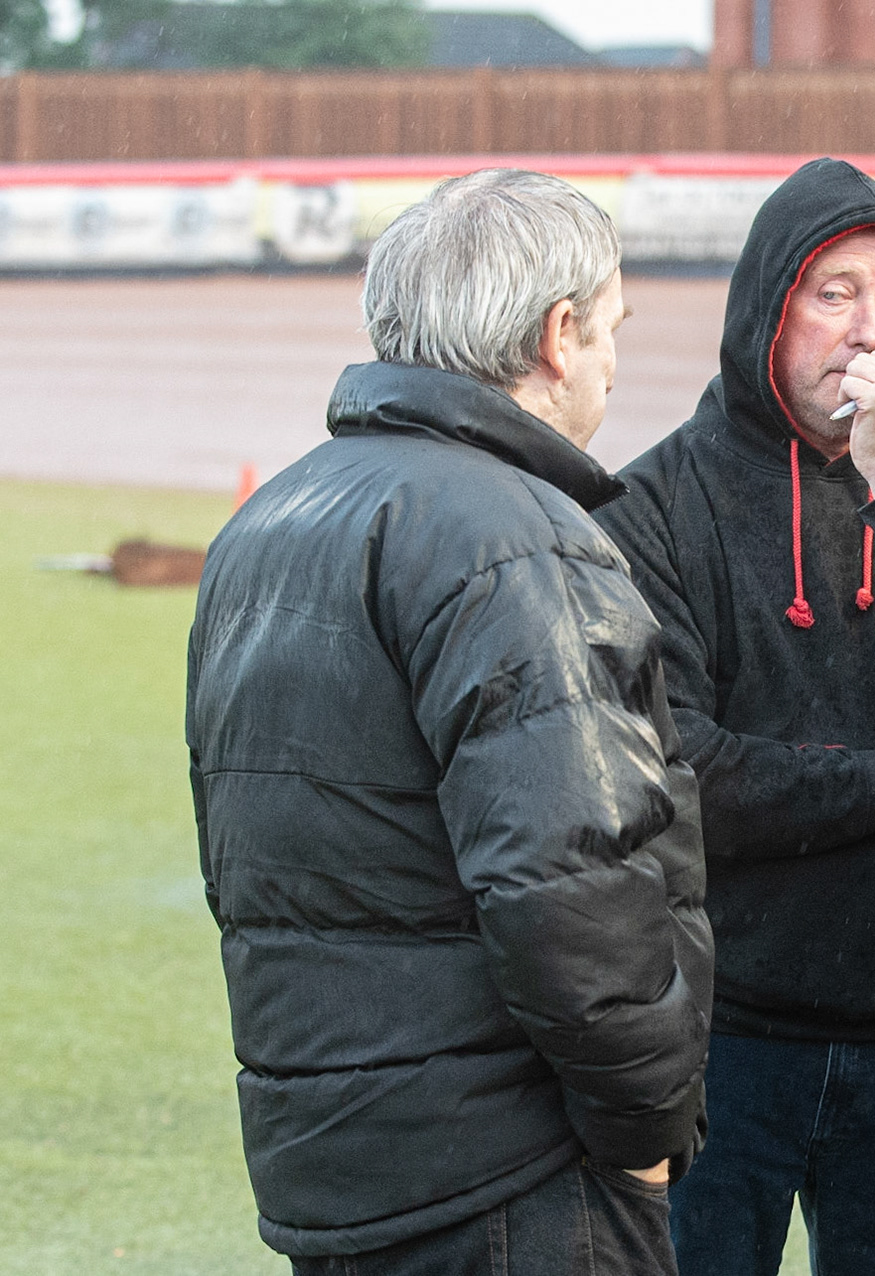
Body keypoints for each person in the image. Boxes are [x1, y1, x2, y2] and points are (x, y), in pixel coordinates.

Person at [186, 169, 710, 1275]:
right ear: (561, 335)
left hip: (338, 1163)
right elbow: (572, 888)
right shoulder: (514, 537)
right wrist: (646, 1135)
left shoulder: (270, 519)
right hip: (511, 1177)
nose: (616, 359)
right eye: (613, 326)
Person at [593, 157, 875, 1275]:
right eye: (834, 291)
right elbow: (680, 775)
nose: (867, 328)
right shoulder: (652, 506)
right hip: (716, 1030)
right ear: (769, 307)